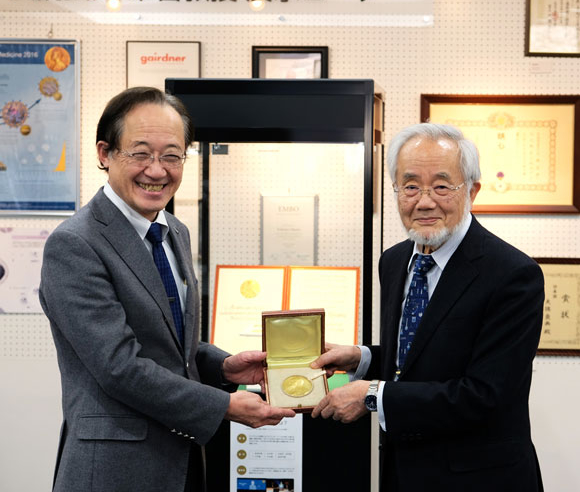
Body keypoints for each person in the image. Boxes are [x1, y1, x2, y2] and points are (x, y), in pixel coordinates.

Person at [40, 87, 295, 492]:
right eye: (140, 153)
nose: (157, 170)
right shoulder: (75, 244)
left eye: (172, 155)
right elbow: (119, 366)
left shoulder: (174, 231)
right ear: (105, 154)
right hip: (114, 471)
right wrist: (224, 406)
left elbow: (169, 345)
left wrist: (221, 366)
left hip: (184, 460)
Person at [310, 123, 544, 491]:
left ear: (472, 191)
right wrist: (362, 358)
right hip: (402, 472)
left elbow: (485, 393)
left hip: (479, 479)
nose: (424, 201)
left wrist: (372, 395)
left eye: (441, 185)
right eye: (410, 185)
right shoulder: (394, 261)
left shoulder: (513, 274)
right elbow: (423, 356)